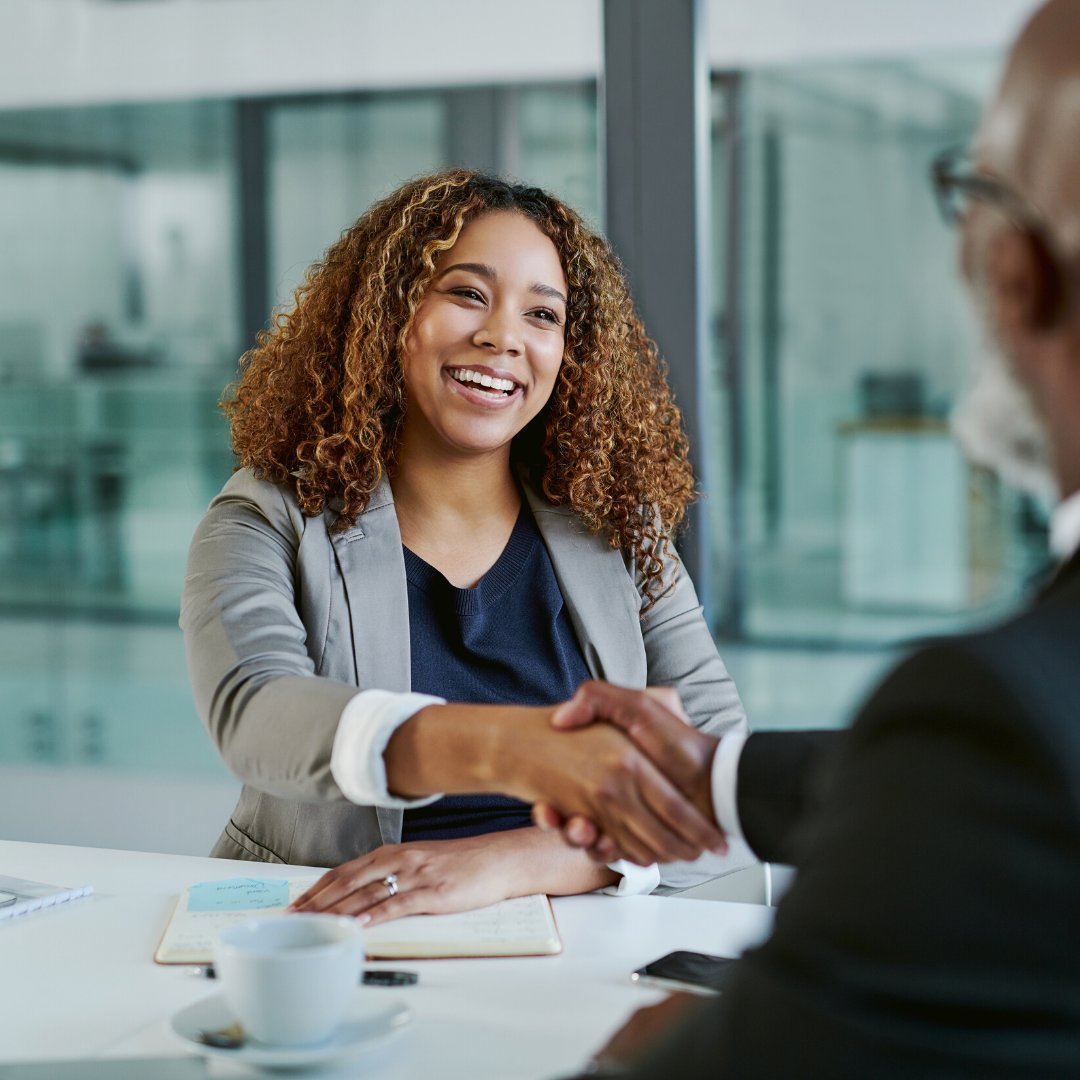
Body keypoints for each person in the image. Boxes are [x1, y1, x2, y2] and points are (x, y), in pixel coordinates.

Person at [538, 2, 1080, 1075]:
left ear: (1014, 273)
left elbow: (982, 788)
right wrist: (715, 777)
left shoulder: (995, 728)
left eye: (545, 312)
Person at [180, 170, 750, 927]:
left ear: (569, 354)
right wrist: (517, 750)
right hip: (335, 934)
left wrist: (503, 864)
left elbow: (720, 783)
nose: (502, 337)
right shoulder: (268, 518)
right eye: (467, 294)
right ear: (391, 313)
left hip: (576, 939)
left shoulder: (619, 530)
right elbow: (256, 714)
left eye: (542, 314)